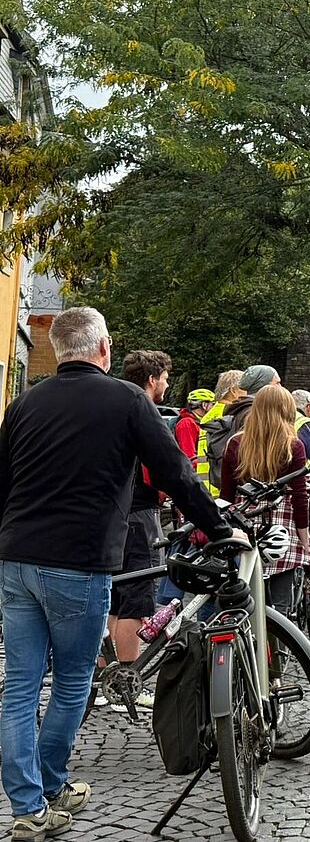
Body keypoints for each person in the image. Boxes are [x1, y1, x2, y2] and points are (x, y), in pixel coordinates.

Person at [0, 307, 229, 839]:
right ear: (103, 348)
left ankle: (29, 804)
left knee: (21, 686)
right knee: (75, 680)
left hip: (16, 558)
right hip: (79, 561)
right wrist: (217, 528)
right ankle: (48, 790)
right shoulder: (127, 400)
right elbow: (175, 472)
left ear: (58, 349)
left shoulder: (25, 403)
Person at [220, 386, 310, 618]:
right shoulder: (293, 446)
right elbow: (299, 495)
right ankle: (281, 646)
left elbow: (226, 495)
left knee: (249, 596)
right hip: (281, 526)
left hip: (244, 523)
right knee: (281, 603)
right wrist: (304, 537)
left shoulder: (235, 444)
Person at [111, 351, 174, 696]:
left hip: (115, 516)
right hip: (140, 516)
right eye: (164, 377)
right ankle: (126, 682)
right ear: (151, 379)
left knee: (115, 597)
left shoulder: (114, 411)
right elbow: (161, 473)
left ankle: (108, 675)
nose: (166, 383)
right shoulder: (146, 415)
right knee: (136, 599)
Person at [198, 370, 244, 496]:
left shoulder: (211, 415)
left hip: (206, 486)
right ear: (234, 391)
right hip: (220, 489)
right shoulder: (228, 416)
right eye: (245, 389)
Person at [175, 388, 215, 479]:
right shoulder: (187, 423)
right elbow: (189, 456)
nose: (214, 407)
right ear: (204, 405)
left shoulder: (198, 422)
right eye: (212, 404)